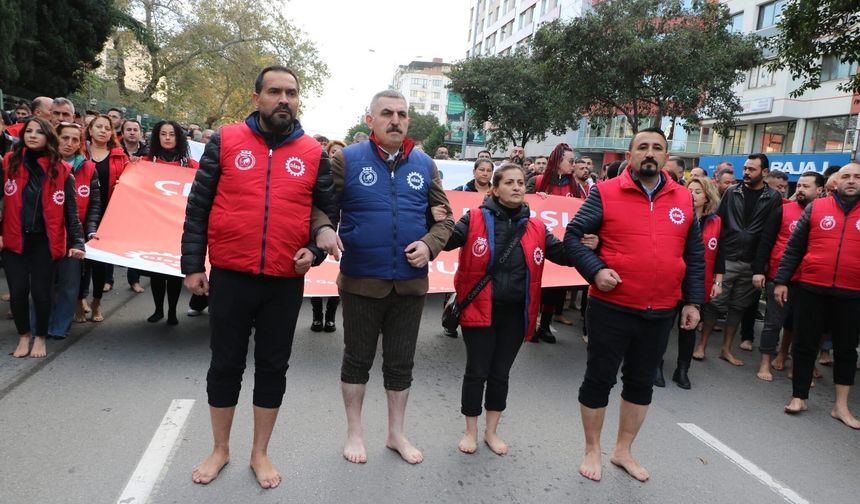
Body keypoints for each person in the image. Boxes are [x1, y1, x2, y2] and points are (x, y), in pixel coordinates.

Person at [181, 65, 336, 488]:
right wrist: (193, 264)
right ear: (256, 99)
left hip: (285, 280)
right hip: (231, 275)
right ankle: (220, 449)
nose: (283, 99)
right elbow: (199, 205)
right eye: (274, 92)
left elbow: (325, 215)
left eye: (291, 93)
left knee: (272, 367)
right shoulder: (227, 140)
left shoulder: (312, 152)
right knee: (225, 364)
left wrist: (314, 254)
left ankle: (259, 452)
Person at [313, 89, 454, 465]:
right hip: (361, 281)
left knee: (400, 363)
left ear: (409, 121)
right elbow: (321, 207)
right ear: (370, 119)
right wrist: (324, 228)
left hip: (410, 284)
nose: (395, 120)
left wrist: (430, 244)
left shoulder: (425, 165)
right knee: (357, 359)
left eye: (402, 114)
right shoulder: (347, 159)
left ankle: (396, 434)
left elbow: (446, 220)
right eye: (387, 113)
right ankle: (355, 433)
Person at [564, 127, 704, 482]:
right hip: (612, 306)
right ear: (629, 155)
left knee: (641, 383)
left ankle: (623, 450)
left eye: (657, 148)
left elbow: (695, 254)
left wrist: (693, 301)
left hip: (660, 310)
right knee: (599, 379)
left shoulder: (684, 199)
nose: (650, 153)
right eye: (642, 147)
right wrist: (595, 271)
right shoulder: (605, 192)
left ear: (666, 156)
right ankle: (592, 449)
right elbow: (572, 238)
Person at [444, 163, 569, 455]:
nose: (516, 187)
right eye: (509, 182)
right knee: (477, 371)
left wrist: (589, 244)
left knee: (500, 373)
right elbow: (445, 241)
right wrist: (435, 221)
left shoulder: (536, 226)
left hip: (515, 313)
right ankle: (470, 431)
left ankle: (491, 432)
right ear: (495, 189)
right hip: (480, 308)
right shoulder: (473, 219)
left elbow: (563, 253)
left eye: (520, 183)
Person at [774, 163, 860, 429]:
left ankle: (840, 406)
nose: (851, 181)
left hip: (852, 293)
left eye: (857, 177)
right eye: (846, 176)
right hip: (812, 287)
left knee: (846, 350)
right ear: (835, 182)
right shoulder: (817, 207)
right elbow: (794, 248)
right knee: (804, 344)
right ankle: (799, 396)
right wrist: (782, 281)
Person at [1, 117, 86, 358]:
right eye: (29, 131)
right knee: (17, 292)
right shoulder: (9, 162)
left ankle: (40, 337)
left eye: (39, 132)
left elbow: (71, 212)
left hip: (45, 242)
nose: (33, 135)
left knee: (41, 292)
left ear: (48, 138)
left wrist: (77, 243)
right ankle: (23, 336)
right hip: (14, 241)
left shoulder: (62, 170)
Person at [693, 154, 780, 364]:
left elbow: (769, 233)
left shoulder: (774, 197)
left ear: (764, 172)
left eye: (752, 169)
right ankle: (702, 345)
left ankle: (726, 349)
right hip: (728, 257)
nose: (747, 173)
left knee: (739, 307)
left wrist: (760, 266)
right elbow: (718, 224)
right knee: (715, 304)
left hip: (752, 262)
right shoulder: (733, 191)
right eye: (746, 168)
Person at [753, 171, 825, 381]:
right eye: (799, 185)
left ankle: (798, 366)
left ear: (819, 190)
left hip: (810, 280)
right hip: (780, 277)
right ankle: (765, 363)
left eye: (806, 186)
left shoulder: (824, 214)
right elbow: (765, 242)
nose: (800, 189)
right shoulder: (782, 211)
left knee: (804, 327)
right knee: (773, 323)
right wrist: (759, 270)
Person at [657, 177, 723, 390]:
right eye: (689, 190)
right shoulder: (674, 215)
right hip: (671, 279)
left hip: (697, 282)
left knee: (689, 326)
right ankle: (655, 365)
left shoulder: (716, 222)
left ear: (707, 197)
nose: (692, 194)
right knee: (663, 325)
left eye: (698, 191)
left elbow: (720, 253)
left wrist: (718, 280)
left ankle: (682, 369)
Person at [38, 122, 100, 339]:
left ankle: (59, 328)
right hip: (43, 236)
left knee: (69, 285)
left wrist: (89, 231)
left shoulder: (89, 168)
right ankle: (41, 325)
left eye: (75, 139)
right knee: (43, 284)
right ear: (55, 138)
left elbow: (94, 205)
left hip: (74, 236)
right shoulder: (41, 165)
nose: (69, 143)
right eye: (65, 138)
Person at [142, 120, 198, 325]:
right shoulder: (146, 162)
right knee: (157, 271)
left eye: (171, 134)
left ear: (178, 138)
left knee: (173, 272)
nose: (167, 138)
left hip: (179, 226)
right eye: (163, 134)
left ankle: (173, 311)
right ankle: (158, 310)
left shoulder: (190, 165)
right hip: (155, 225)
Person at [77, 114, 128, 322]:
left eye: (107, 128)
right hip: (79, 213)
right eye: (98, 127)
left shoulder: (119, 156)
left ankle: (97, 302)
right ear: (89, 130)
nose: (103, 131)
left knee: (99, 263)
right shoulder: (78, 152)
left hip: (107, 215)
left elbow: (129, 182)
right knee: (80, 262)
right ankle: (80, 300)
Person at [529, 144, 578, 342]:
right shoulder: (537, 181)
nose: (573, 165)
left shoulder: (576, 187)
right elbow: (522, 203)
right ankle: (531, 325)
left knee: (556, 289)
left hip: (561, 247)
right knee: (535, 286)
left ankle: (546, 325)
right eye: (571, 161)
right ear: (558, 162)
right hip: (538, 243)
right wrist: (535, 198)